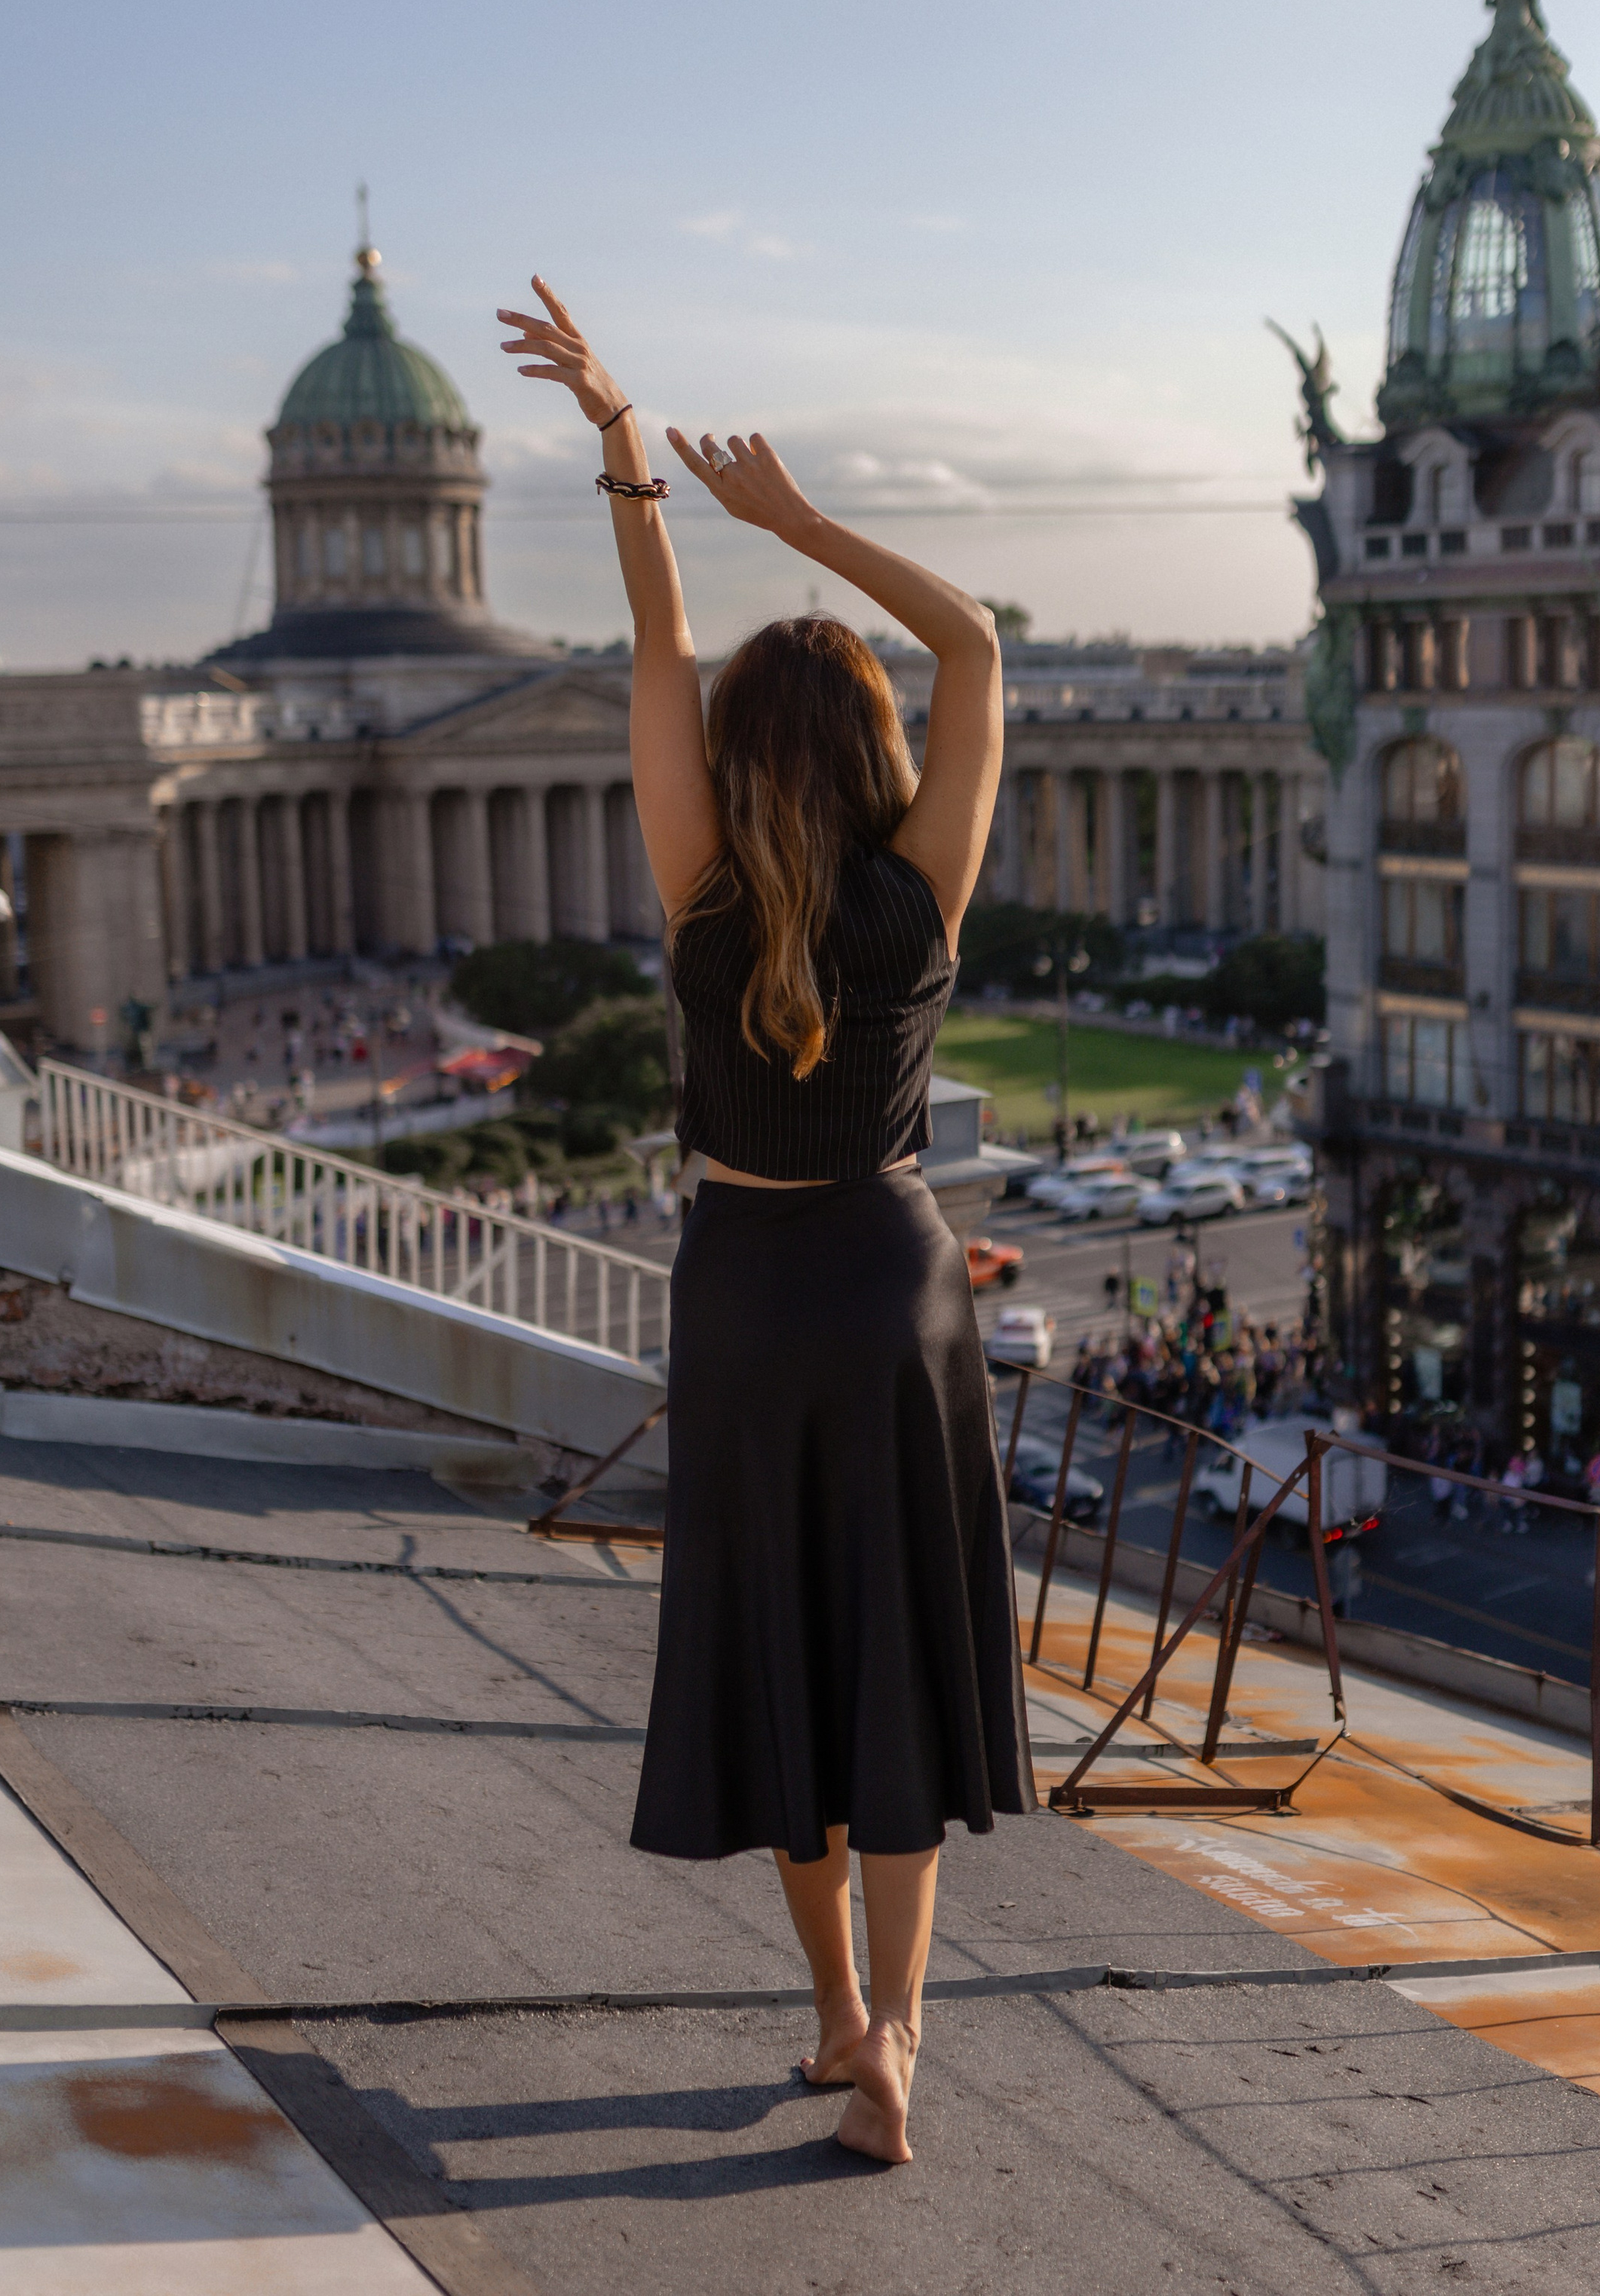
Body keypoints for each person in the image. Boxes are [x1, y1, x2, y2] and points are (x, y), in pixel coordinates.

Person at [499, 278, 1031, 2167]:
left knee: (782, 1655)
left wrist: (627, 448)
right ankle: (901, 2032)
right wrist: (793, 522)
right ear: (875, 747)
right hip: (896, 1284)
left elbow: (651, 645)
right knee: (889, 1648)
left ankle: (832, 2025)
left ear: (735, 755)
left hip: (743, 1291)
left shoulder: (700, 883)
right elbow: (972, 644)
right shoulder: (919, 895)